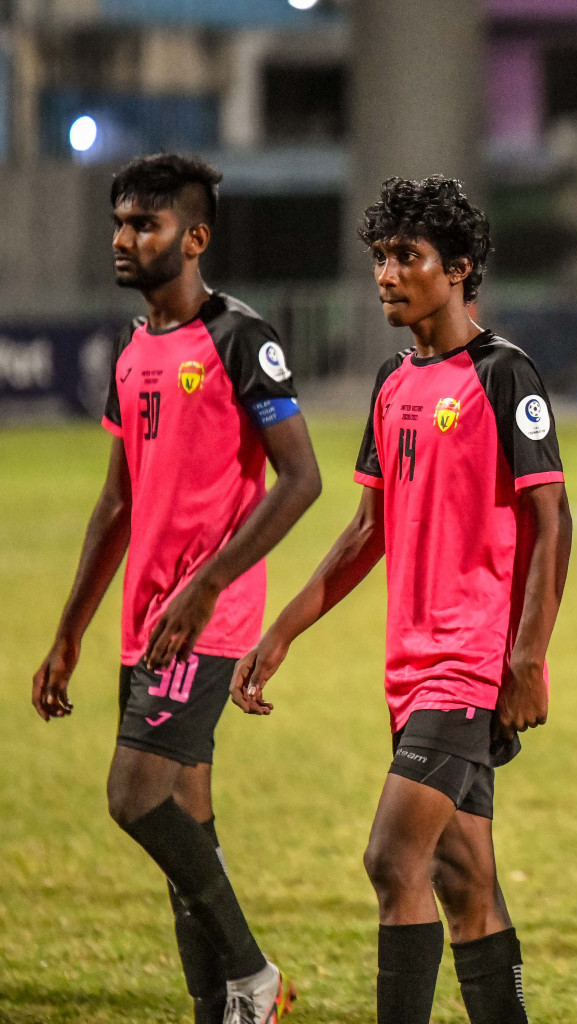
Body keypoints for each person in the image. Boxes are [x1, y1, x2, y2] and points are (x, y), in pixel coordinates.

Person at [230, 176, 572, 1024]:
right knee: (465, 885)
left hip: (468, 663)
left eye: (406, 258)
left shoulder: (505, 376)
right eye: (381, 258)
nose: (387, 274)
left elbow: (552, 518)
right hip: (408, 668)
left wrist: (526, 656)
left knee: (392, 861)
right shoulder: (392, 382)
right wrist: (283, 631)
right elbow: (364, 531)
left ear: (457, 269)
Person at [30, 152, 319, 1024]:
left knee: (135, 797)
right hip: (144, 621)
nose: (124, 238)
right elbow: (115, 502)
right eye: (120, 222)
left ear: (194, 239)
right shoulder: (132, 348)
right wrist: (71, 630)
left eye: (144, 224)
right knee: (184, 818)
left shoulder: (241, 338)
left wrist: (207, 587)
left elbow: (299, 481)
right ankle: (219, 1008)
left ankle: (255, 978)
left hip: (207, 615)